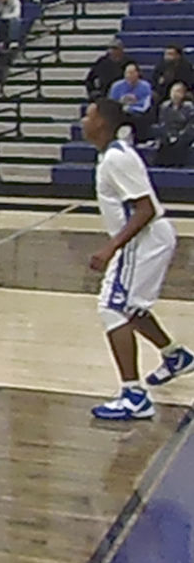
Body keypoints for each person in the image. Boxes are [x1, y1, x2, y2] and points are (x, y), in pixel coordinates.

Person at [82, 98, 193, 420]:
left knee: (111, 308)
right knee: (131, 306)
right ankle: (175, 357)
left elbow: (144, 209)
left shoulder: (116, 158)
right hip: (148, 238)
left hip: (143, 239)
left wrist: (110, 247)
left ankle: (134, 395)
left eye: (89, 115)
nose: (84, 121)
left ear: (102, 122)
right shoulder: (112, 155)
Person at [156, 82, 194, 167]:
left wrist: (179, 135)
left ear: (183, 94)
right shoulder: (164, 106)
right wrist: (169, 135)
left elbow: (190, 125)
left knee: (179, 145)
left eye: (178, 91)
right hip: (169, 134)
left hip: (183, 135)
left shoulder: (189, 107)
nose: (174, 94)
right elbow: (163, 123)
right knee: (164, 144)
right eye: (173, 91)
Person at [110, 62, 155, 132]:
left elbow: (146, 104)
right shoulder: (116, 86)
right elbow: (111, 103)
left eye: (131, 73)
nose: (128, 75)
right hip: (120, 112)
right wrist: (121, 102)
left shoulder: (145, 86)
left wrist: (132, 106)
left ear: (138, 73)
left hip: (138, 113)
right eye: (126, 73)